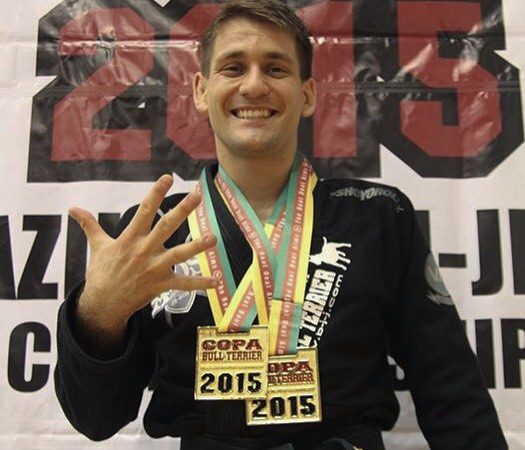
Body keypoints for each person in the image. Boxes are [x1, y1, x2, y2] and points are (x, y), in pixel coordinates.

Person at [54, 1, 507, 449]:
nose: (254, 85)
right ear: (201, 90)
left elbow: (452, 392)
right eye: (233, 68)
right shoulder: (156, 232)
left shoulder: (377, 217)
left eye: (275, 68)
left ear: (307, 94)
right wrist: (99, 315)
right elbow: (96, 418)